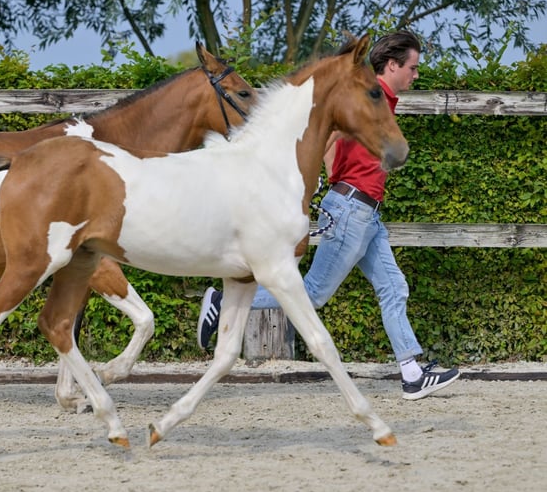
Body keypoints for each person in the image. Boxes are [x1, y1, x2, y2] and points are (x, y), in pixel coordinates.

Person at [197, 30, 460, 401]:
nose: (416, 75)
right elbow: (324, 130)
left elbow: (331, 138)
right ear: (392, 65)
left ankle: (413, 372)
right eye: (412, 68)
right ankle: (220, 301)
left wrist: (333, 174)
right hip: (353, 209)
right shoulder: (367, 96)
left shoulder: (380, 99)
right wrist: (331, 183)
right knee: (315, 293)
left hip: (367, 212)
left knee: (393, 287)